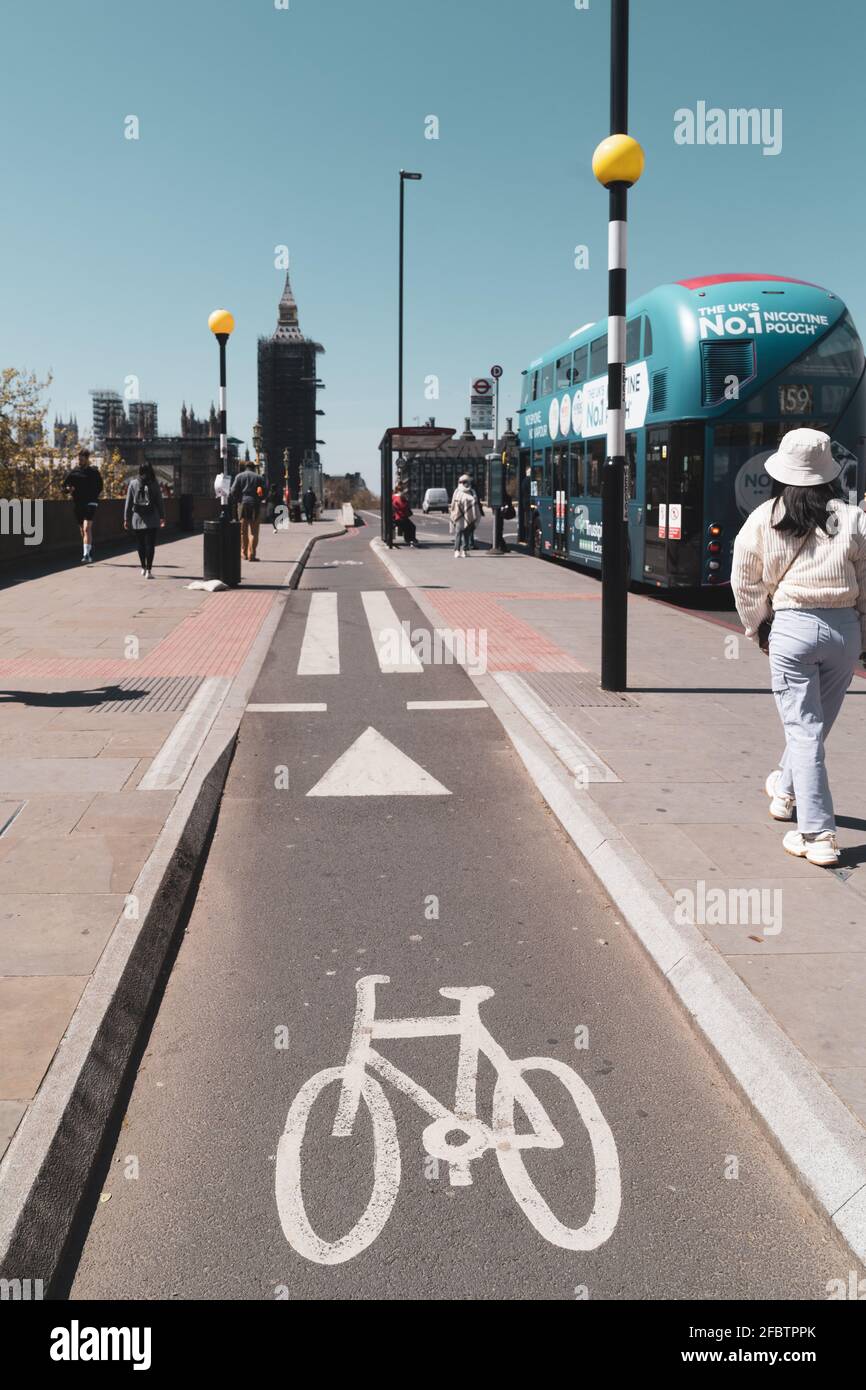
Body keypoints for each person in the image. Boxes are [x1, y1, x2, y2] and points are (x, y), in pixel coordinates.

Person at [732, 428, 866, 867]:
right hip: (843, 628)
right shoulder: (852, 518)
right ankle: (785, 793)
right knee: (814, 726)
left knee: (805, 729)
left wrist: (758, 626)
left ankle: (817, 834)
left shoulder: (764, 518)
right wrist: (859, 622)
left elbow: (743, 580)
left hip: (791, 627)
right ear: (828, 473)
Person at [124, 461, 165, 579]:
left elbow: (128, 502)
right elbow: (160, 502)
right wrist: (162, 517)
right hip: (152, 517)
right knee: (150, 545)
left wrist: (126, 518)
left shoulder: (133, 483)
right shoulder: (154, 483)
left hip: (137, 517)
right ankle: (149, 570)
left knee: (140, 544)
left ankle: (142, 567)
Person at [63, 447, 103, 564]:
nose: (79, 462)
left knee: (86, 528)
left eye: (81, 460)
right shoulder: (74, 472)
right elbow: (63, 487)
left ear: (87, 459)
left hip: (91, 502)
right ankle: (89, 548)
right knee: (82, 530)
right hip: (78, 504)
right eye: (78, 460)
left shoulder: (94, 472)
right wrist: (68, 489)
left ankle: (86, 555)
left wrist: (93, 496)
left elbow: (100, 486)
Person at [231, 462, 266, 560]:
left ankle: (244, 553)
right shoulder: (259, 478)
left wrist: (239, 499)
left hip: (243, 504)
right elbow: (265, 491)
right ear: (254, 468)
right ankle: (252, 554)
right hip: (254, 504)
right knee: (254, 532)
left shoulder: (239, 476)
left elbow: (233, 490)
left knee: (243, 531)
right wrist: (259, 499)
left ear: (245, 468)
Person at [449, 473, 480, 559]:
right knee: (460, 533)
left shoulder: (464, 491)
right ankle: (458, 550)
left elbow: (453, 504)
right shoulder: (461, 491)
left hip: (464, 515)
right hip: (461, 516)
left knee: (464, 533)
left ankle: (463, 551)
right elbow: (453, 503)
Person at [465, 477, 484, 549]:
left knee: (467, 528)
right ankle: (470, 543)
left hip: (465, 511)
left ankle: (467, 543)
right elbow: (476, 501)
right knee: (471, 528)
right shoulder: (472, 491)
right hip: (471, 511)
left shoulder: (462, 490)